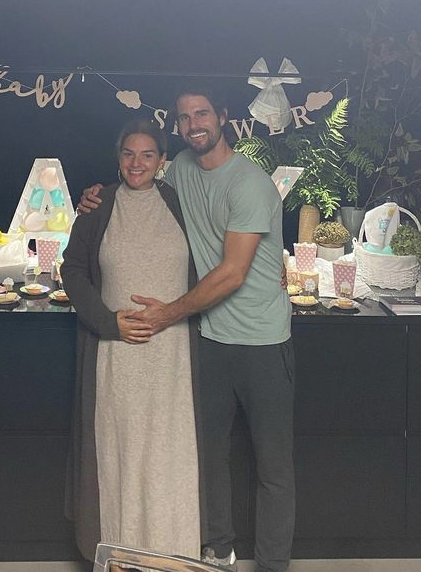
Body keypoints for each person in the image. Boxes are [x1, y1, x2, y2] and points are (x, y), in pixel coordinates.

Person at [79, 86, 295, 572]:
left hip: (260, 341)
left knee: (272, 466)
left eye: (202, 114)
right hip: (209, 338)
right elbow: (137, 181)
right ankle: (217, 550)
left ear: (223, 117)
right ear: (176, 127)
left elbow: (233, 273)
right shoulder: (177, 169)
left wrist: (167, 314)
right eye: (184, 117)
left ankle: (273, 565)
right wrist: (94, 196)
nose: (194, 124)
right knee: (209, 455)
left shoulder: (250, 184)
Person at [63, 119, 203, 562]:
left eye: (147, 155)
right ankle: (123, 559)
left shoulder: (182, 203)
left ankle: (173, 556)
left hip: (174, 357)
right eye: (128, 153)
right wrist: (108, 322)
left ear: (163, 161)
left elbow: (215, 260)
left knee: (170, 455)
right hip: (117, 356)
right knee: (118, 456)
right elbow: (73, 271)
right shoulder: (99, 206)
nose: (136, 163)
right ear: (118, 158)